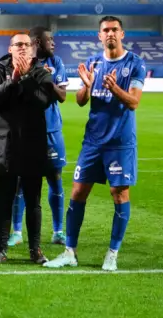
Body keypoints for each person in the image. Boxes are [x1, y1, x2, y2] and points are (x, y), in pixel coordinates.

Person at [47, 16, 145, 272]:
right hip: (92, 142)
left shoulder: (135, 64)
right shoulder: (93, 63)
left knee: (119, 194)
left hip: (120, 143)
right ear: (99, 36)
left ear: (122, 34)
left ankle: (112, 253)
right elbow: (80, 101)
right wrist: (87, 87)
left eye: (114, 29)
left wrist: (114, 89)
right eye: (105, 30)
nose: (110, 33)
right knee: (78, 192)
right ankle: (70, 251)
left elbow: (133, 102)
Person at [0, 31, 58, 264]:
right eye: (18, 44)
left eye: (27, 44)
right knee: (4, 200)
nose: (23, 48)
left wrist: (24, 78)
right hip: (4, 146)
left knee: (33, 201)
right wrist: (11, 82)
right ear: (10, 48)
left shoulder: (41, 73)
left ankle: (35, 250)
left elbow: (44, 101)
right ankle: (1, 250)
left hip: (32, 144)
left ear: (33, 48)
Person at [9, 27, 69, 246]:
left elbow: (62, 96)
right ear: (36, 41)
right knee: (20, 183)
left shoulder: (57, 64)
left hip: (52, 131)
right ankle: (16, 232)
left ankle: (58, 231)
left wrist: (44, 79)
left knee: (55, 180)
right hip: (25, 132)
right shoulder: (21, 61)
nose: (53, 43)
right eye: (49, 39)